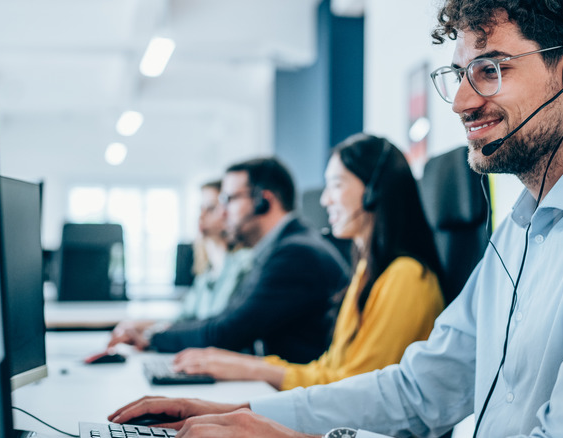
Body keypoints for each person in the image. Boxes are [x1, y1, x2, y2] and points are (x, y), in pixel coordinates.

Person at [110, 1, 563, 437]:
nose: (464, 101)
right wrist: (236, 412)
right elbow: (420, 390)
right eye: (460, 74)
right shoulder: (520, 231)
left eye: (491, 69)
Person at [170, 134, 446, 390]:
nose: (325, 200)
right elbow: (330, 368)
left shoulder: (407, 277)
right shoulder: (367, 272)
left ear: (374, 190)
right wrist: (249, 367)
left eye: (336, 185)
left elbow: (357, 388)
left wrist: (255, 370)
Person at [117, 158, 351, 364]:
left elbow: (226, 333)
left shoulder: (295, 254)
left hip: (304, 394)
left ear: (263, 201)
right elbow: (224, 320)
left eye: (229, 200)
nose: (223, 213)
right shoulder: (281, 248)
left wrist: (151, 337)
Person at [107, 180, 254, 350]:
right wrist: (141, 327)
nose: (201, 216)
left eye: (211, 208)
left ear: (227, 212)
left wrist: (152, 335)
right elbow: (184, 319)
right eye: (200, 208)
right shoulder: (207, 272)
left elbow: (216, 328)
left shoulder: (244, 263)